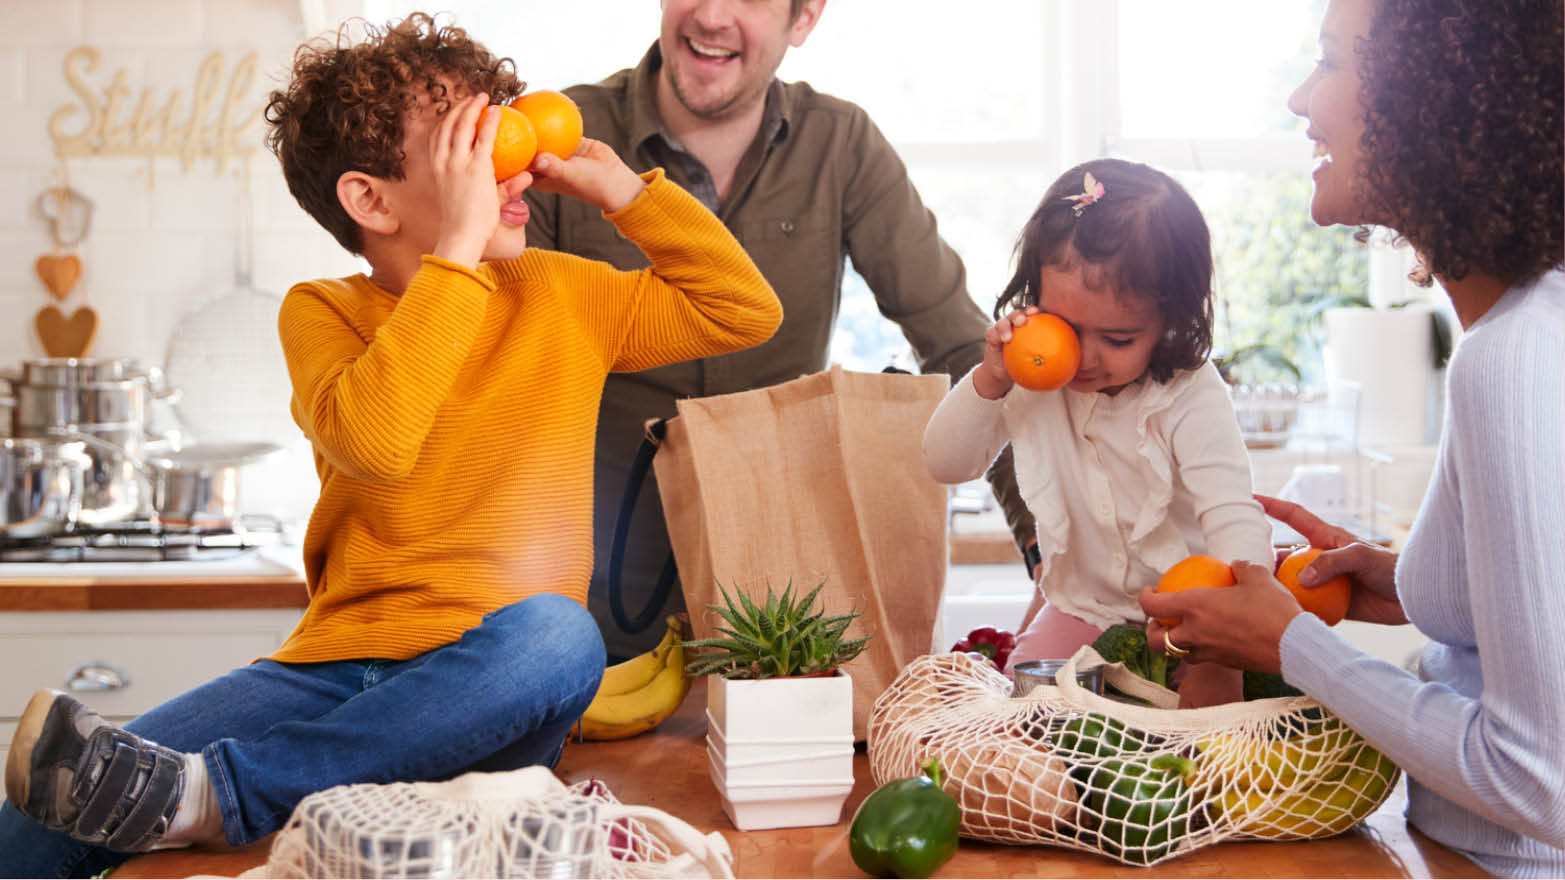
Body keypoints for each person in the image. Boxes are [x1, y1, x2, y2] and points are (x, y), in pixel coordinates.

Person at [0, 13, 781, 877]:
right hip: (333, 674)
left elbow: (742, 310)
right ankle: (216, 788)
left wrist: (629, 195)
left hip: (493, 686)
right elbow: (377, 440)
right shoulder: (323, 311)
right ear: (370, 199)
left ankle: (220, 796)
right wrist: (457, 249)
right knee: (31, 821)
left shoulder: (561, 295)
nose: (511, 162)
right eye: (467, 145)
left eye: (503, 127)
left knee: (563, 636)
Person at [1137, 0, 1564, 874]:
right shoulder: (1523, 327)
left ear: (1431, 100)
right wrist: (1409, 584)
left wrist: (1291, 647)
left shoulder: (1515, 356)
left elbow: (1541, 782)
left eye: (1331, 63)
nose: (1300, 99)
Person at [521, 0, 1033, 660]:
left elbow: (963, 346)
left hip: (775, 590)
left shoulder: (841, 144)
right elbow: (500, 361)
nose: (712, 16)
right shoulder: (560, 137)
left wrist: (1040, 537)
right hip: (589, 575)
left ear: (804, 18)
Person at [923, 157, 1274, 709]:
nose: (1084, 359)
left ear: (1171, 321)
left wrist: (1228, 646)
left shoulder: (1190, 393)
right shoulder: (1027, 372)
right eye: (1066, 326)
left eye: (1117, 338)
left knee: (1206, 735)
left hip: (1196, 614)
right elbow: (946, 463)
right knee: (1026, 714)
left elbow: (1232, 517)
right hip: (1084, 606)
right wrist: (990, 377)